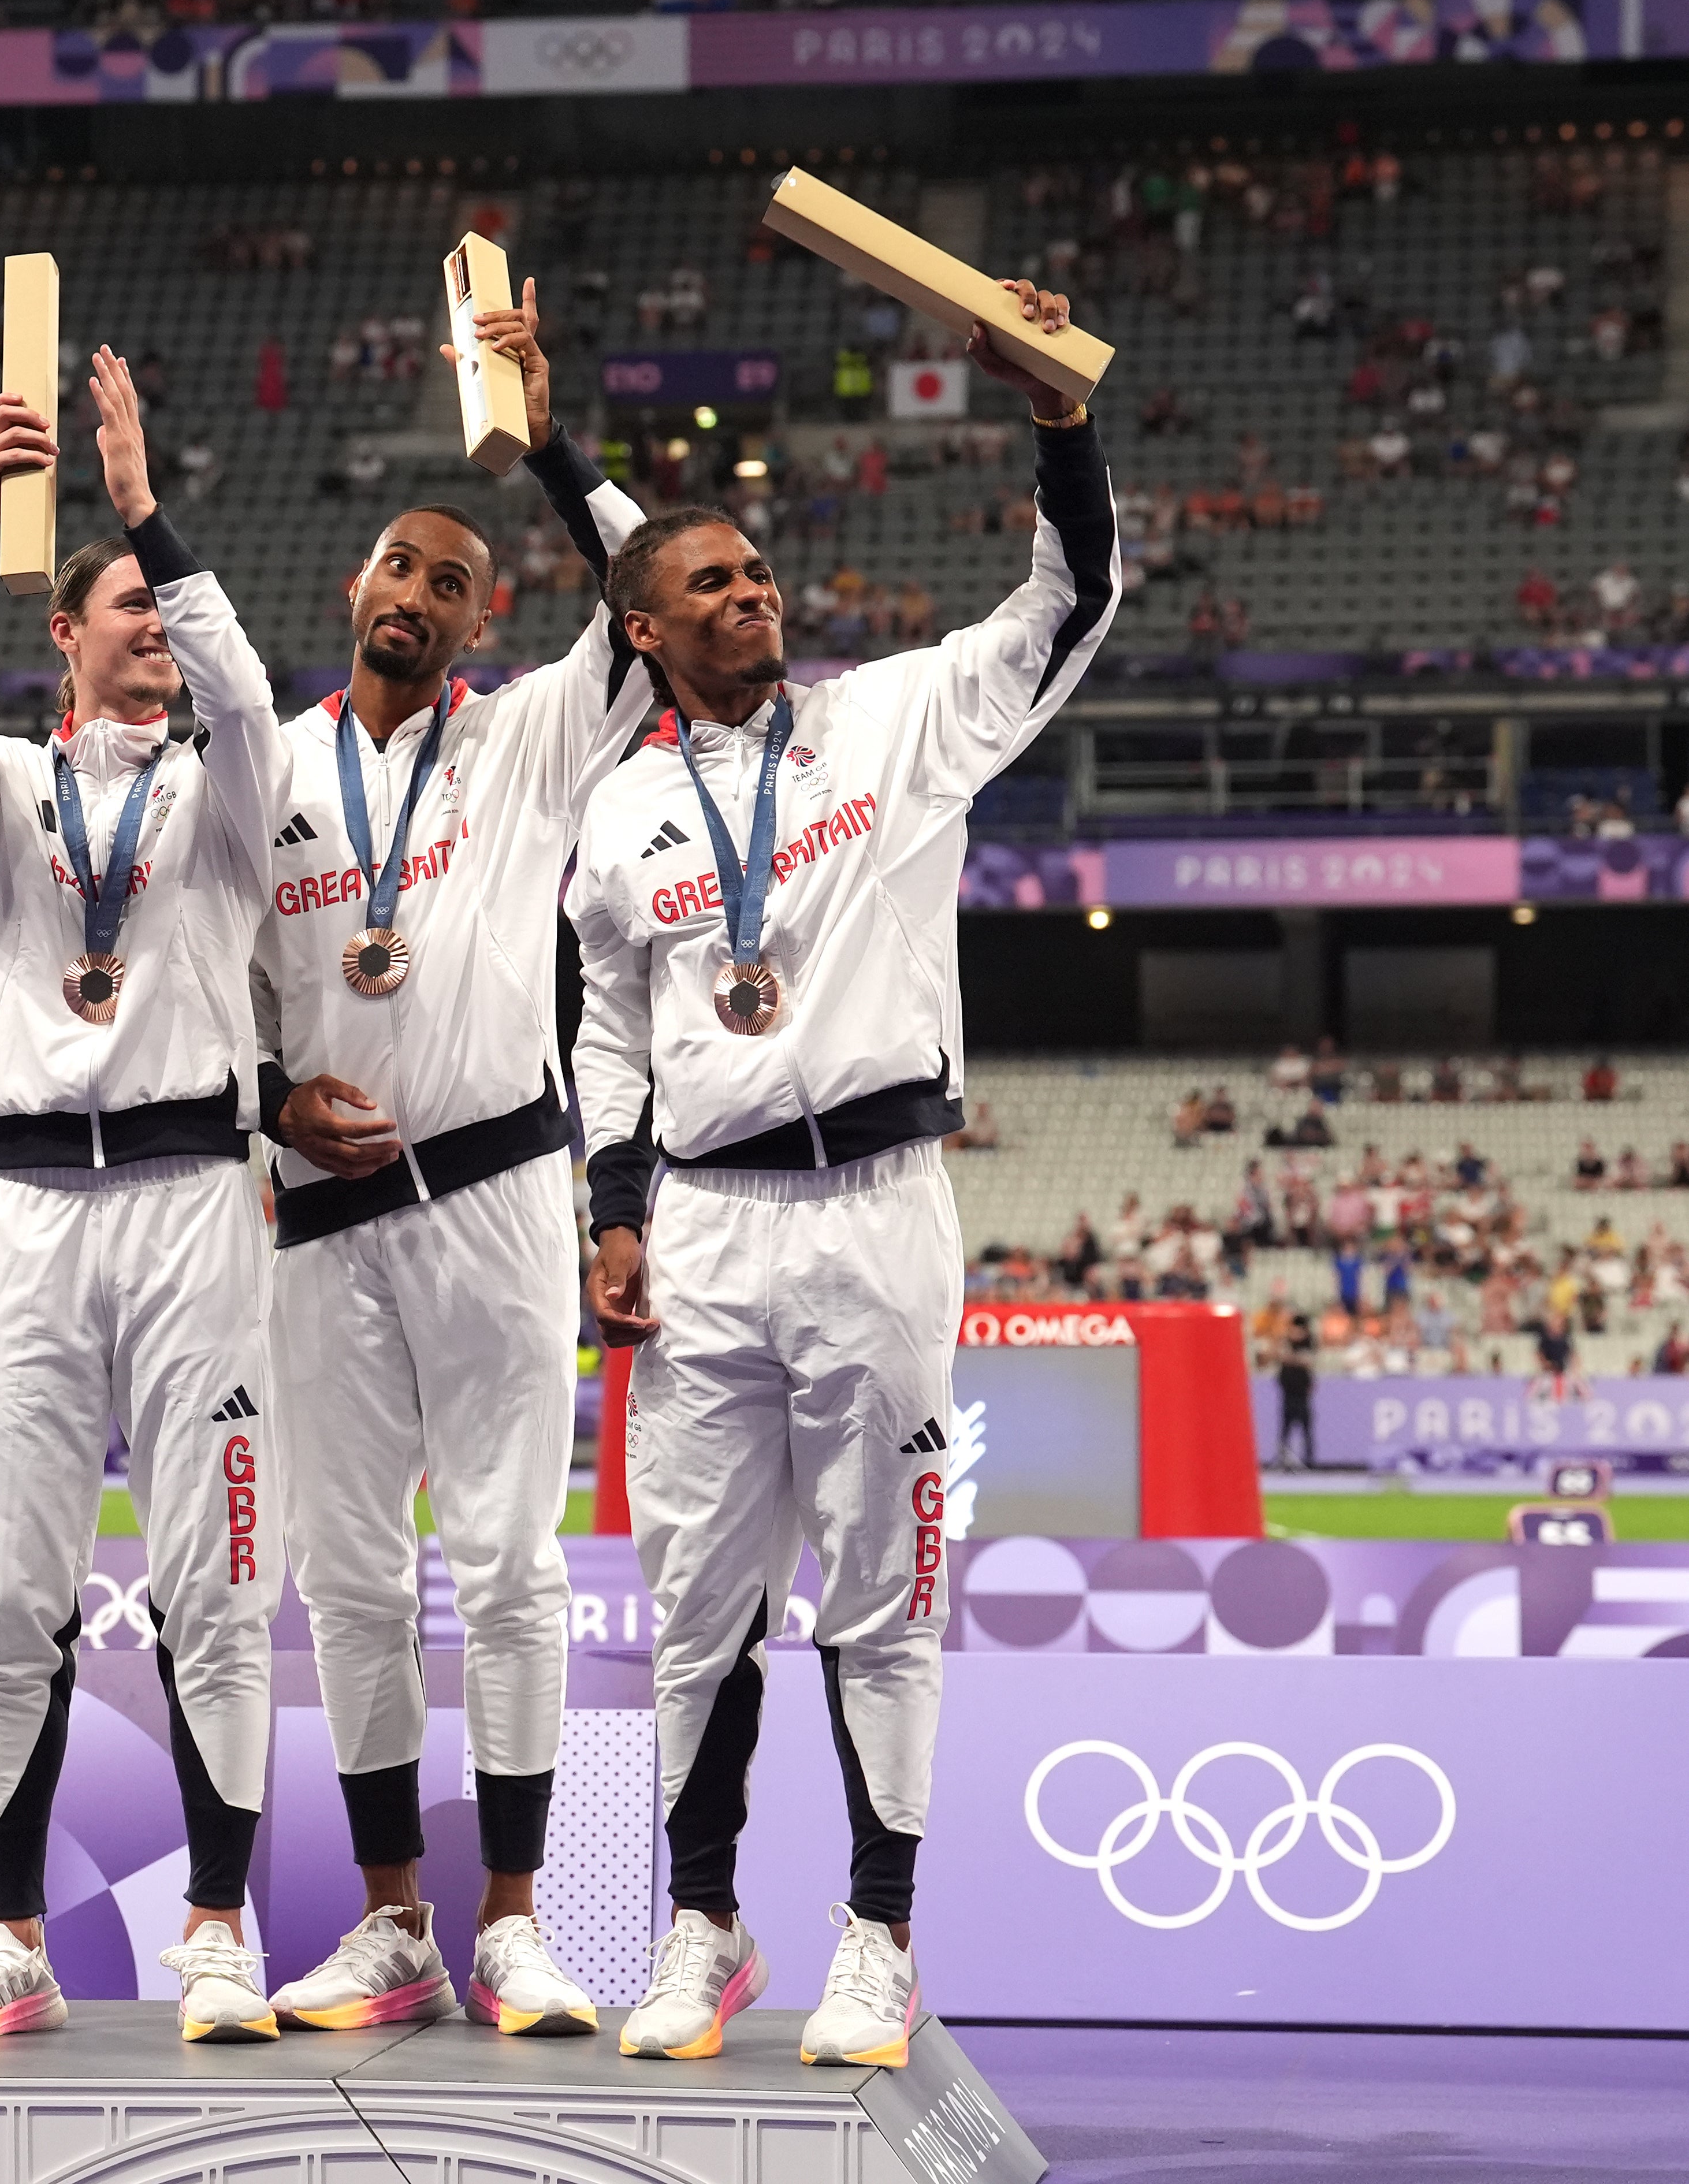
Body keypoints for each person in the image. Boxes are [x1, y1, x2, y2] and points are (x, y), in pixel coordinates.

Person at [570, 277, 1114, 2070]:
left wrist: (1053, 417)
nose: (752, 592)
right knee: (693, 1608)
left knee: (883, 1592)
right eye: (709, 582)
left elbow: (1067, 602)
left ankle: (874, 1935)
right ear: (642, 628)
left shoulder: (889, 723)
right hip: (710, 1222)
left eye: (755, 573)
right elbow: (607, 1030)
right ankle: (697, 1924)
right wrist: (614, 1204)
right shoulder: (613, 815)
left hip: (876, 1204)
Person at [250, 283, 653, 2038]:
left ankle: (509, 1916)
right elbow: (202, 996)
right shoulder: (258, 769)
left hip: (495, 1196)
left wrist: (548, 442)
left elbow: (642, 605)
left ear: (480, 618)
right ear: (351, 589)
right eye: (394, 567)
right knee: (343, 1573)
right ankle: (388, 1914)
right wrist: (266, 1094)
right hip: (319, 1220)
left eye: (449, 579)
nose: (414, 592)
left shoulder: (527, 741)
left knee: (505, 1563)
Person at [0, 347, 287, 2043]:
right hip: (31, 1210)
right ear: (63, 633)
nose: (148, 626)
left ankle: (214, 1923)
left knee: (217, 1579)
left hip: (194, 1193)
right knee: (4, 1593)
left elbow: (250, 699)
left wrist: (140, 507)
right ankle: (14, 1930)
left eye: (160, 607)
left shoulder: (217, 795)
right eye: (120, 604)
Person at [1273, 1313, 1318, 1472]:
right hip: (1288, 1392)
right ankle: (1282, 1459)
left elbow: (1308, 1361)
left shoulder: (1309, 1344)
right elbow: (1280, 1355)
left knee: (1306, 1427)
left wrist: (1292, 1359)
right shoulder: (1286, 1343)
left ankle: (1309, 1460)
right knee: (1285, 1428)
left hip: (1302, 1394)